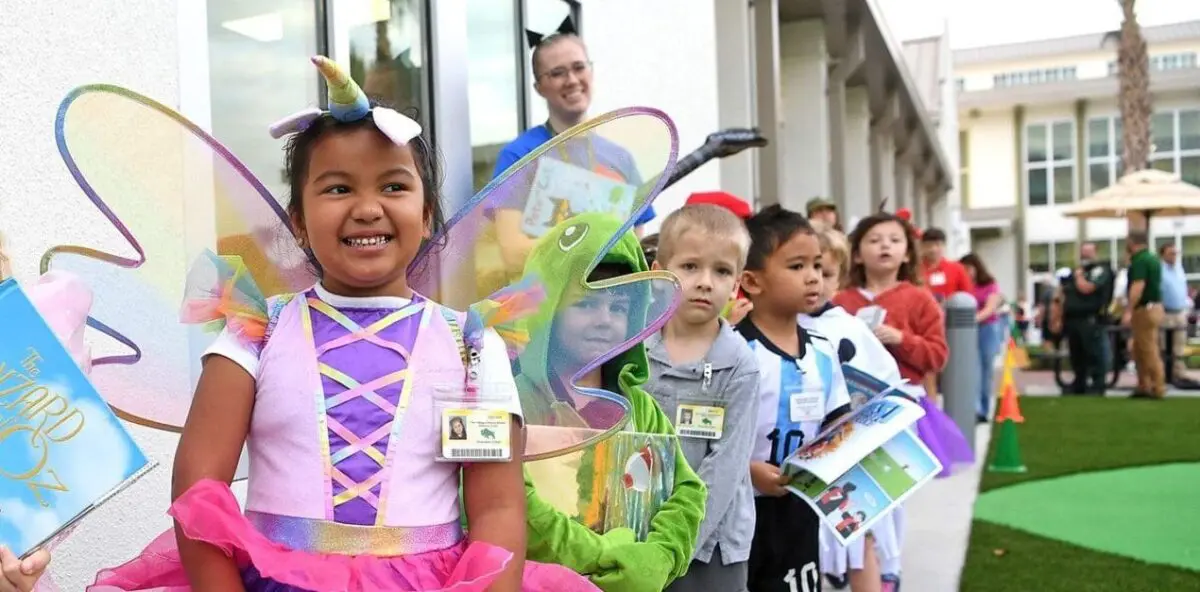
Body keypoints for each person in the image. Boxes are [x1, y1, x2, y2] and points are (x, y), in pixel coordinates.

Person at [90, 56, 597, 592]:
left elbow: (496, 509)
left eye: (394, 187)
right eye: (337, 189)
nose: (367, 208)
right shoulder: (255, 334)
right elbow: (198, 485)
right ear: (298, 222)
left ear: (427, 215)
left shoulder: (472, 348)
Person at [515, 213, 707, 591]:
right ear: (547, 308)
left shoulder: (640, 407)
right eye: (586, 304)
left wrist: (658, 556)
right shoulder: (514, 401)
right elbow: (510, 498)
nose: (604, 319)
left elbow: (686, 491)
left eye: (618, 308)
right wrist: (603, 557)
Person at [642, 204, 761, 592]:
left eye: (722, 271)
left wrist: (673, 546)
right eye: (690, 266)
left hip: (709, 545)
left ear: (738, 283)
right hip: (635, 532)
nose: (705, 282)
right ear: (660, 271)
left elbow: (725, 467)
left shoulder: (740, 365)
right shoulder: (633, 351)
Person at [736, 205, 852, 592]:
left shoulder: (823, 349)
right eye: (797, 266)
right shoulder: (734, 350)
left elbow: (837, 422)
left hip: (801, 507)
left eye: (817, 266)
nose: (813, 278)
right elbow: (708, 433)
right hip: (739, 508)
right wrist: (749, 470)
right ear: (752, 281)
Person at [489, 23, 655, 277]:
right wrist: (596, 249)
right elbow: (512, 254)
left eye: (579, 67)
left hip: (610, 305)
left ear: (592, 70)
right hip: (544, 306)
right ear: (539, 87)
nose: (572, 80)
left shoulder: (621, 158)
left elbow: (635, 247)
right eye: (557, 73)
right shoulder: (520, 155)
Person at [800, 221, 904, 592]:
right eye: (802, 269)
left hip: (850, 452)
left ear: (840, 277)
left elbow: (888, 383)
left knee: (861, 538)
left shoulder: (849, 327)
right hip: (798, 453)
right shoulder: (775, 323)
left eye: (825, 272)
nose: (814, 281)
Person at [834, 213, 971, 485]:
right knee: (852, 484)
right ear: (857, 254)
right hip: (848, 408)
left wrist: (902, 339)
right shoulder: (842, 301)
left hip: (903, 405)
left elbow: (937, 356)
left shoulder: (920, 299)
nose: (885, 246)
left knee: (893, 486)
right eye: (874, 240)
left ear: (908, 254)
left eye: (895, 240)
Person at [1057, 243, 1114, 396]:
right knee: (1077, 354)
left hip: (1090, 318)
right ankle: (1079, 383)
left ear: (1096, 252)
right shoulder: (1076, 271)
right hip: (1072, 318)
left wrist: (1079, 276)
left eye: (1088, 252)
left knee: (1094, 353)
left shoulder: (1100, 270)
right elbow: (1063, 292)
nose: (1085, 256)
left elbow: (1087, 288)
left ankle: (1097, 385)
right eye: (1083, 252)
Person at [959, 253, 1009, 419]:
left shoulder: (989, 284)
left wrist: (969, 320)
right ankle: (976, 408)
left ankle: (984, 408)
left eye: (968, 268)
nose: (966, 272)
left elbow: (990, 308)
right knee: (973, 369)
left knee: (985, 369)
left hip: (987, 328)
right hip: (967, 331)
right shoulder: (962, 286)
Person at [1124, 230, 1165, 399]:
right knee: (1139, 348)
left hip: (1144, 309)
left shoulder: (1140, 260)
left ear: (1133, 242)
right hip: (1155, 307)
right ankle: (1144, 384)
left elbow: (1138, 287)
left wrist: (1129, 310)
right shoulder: (1153, 258)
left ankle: (1157, 387)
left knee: (1148, 349)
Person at [1159, 242, 1197, 387]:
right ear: (1163, 254)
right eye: (1171, 253)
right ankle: (1164, 374)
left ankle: (1178, 373)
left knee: (1179, 346)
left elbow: (1182, 288)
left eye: (1175, 253)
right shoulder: (1160, 270)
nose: (1174, 256)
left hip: (1180, 311)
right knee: (1164, 345)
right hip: (1165, 312)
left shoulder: (1179, 269)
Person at [918, 227, 972, 302]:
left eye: (937, 245)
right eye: (929, 245)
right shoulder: (914, 269)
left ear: (944, 245)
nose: (933, 249)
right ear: (922, 246)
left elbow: (967, 296)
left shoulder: (957, 269)